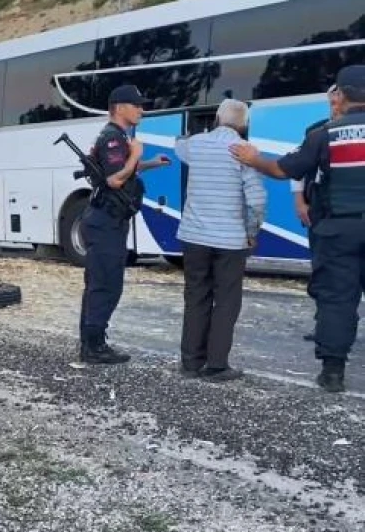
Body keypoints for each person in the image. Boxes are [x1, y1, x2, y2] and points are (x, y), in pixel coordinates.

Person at [231, 65, 365, 393]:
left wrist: (253, 158)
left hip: (338, 231)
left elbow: (282, 169)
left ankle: (332, 373)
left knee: (337, 300)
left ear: (342, 94)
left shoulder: (324, 134)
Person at [174, 99, 266, 381]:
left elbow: (178, 143)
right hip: (230, 240)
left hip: (194, 237)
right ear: (245, 125)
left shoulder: (196, 145)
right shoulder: (245, 153)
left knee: (196, 296)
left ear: (216, 118)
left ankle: (190, 363)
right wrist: (251, 232)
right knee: (226, 300)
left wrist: (196, 133)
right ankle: (216, 365)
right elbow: (257, 200)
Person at [78, 84, 171, 364]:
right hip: (106, 221)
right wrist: (136, 155)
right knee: (106, 285)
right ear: (119, 108)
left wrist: (150, 163)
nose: (142, 109)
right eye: (137, 105)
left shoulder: (116, 137)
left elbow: (117, 171)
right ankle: (93, 347)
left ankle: (92, 343)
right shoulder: (114, 139)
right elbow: (115, 180)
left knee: (101, 282)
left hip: (108, 221)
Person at [295, 84, 344, 343]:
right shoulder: (315, 131)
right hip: (321, 210)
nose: (336, 104)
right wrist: (300, 202)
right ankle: (323, 326)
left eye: (340, 99)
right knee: (322, 269)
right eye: (332, 99)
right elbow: (299, 168)